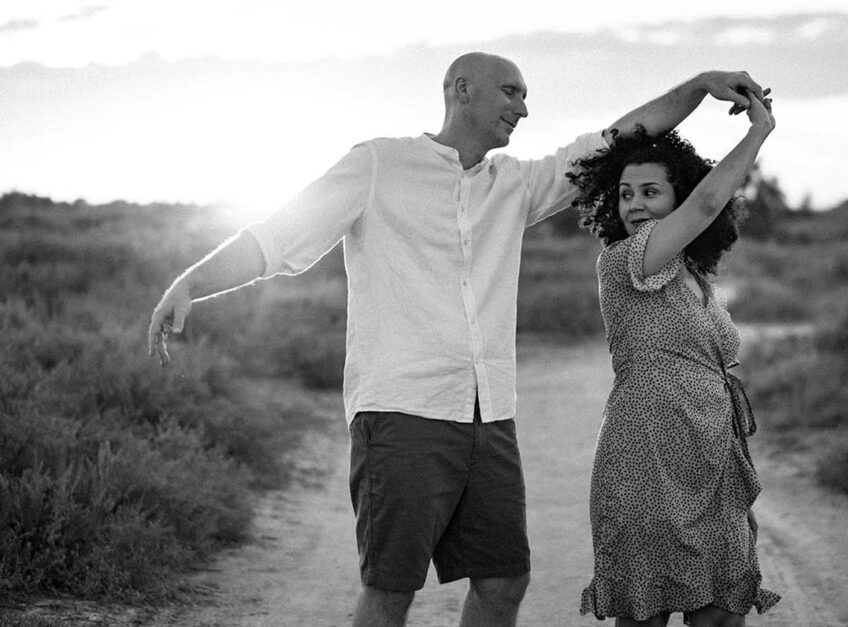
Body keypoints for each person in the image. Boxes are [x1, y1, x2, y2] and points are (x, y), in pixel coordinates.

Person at [147, 51, 766, 627]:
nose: (523, 108)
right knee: (391, 587)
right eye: (511, 92)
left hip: (489, 415)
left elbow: (615, 140)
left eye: (526, 98)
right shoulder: (378, 165)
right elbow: (277, 237)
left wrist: (696, 89)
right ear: (460, 90)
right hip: (401, 410)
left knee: (504, 581)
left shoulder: (515, 185)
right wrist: (194, 280)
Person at [567, 92, 779, 626]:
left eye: (650, 192)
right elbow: (707, 205)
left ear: (675, 196)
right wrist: (757, 132)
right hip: (646, 460)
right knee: (645, 613)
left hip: (711, 459)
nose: (634, 204)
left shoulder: (696, 276)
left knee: (724, 614)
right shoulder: (621, 263)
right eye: (624, 194)